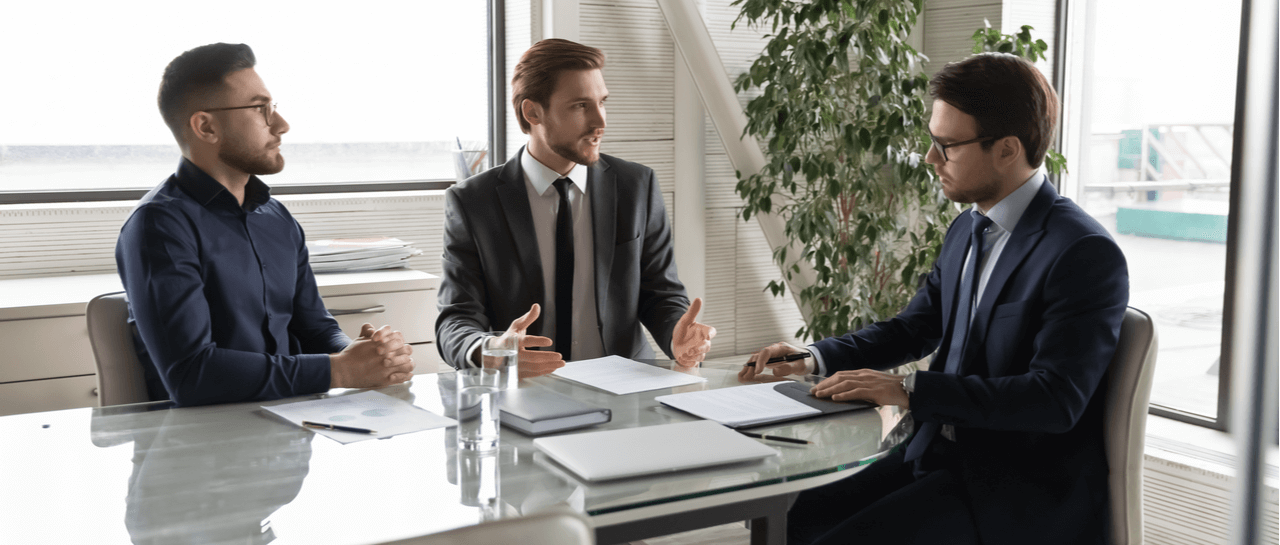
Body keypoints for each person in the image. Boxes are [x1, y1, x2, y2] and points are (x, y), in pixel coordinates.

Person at [742, 53, 1129, 545]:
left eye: (947, 145)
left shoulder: (1081, 253)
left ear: (1007, 149)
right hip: (935, 454)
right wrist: (812, 357)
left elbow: (1054, 399)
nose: (930, 159)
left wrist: (908, 390)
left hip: (1009, 489)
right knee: (791, 513)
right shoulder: (969, 228)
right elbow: (912, 328)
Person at [116, 43, 414, 407]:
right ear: (206, 126)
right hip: (206, 444)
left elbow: (315, 328)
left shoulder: (277, 218)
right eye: (260, 109)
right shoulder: (159, 226)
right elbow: (191, 374)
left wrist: (361, 353)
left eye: (273, 107)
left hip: (294, 430)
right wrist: (339, 371)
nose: (281, 124)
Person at [436, 38, 715, 374]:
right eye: (581, 106)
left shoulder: (636, 186)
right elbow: (456, 319)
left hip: (625, 391)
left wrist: (676, 336)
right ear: (533, 111)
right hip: (524, 393)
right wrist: (492, 349)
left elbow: (659, 292)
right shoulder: (473, 202)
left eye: (602, 102)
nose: (600, 121)